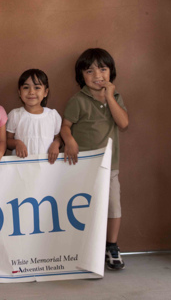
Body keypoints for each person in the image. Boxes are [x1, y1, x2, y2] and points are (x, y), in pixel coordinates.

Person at [60, 48, 129, 270]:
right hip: (82, 166)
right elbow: (65, 127)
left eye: (103, 69)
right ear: (82, 76)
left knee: (113, 206)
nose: (97, 74)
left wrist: (109, 96)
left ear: (111, 73)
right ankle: (84, 247)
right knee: (83, 206)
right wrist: (69, 140)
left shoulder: (116, 98)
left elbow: (124, 123)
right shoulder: (78, 100)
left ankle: (112, 246)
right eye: (89, 70)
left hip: (109, 166)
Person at [6, 69, 61, 164]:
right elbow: (7, 140)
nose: (31, 92)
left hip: (47, 166)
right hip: (21, 166)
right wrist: (17, 143)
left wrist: (56, 144)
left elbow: (58, 138)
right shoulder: (15, 114)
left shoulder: (52, 115)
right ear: (19, 92)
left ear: (45, 92)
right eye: (26, 87)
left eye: (37, 87)